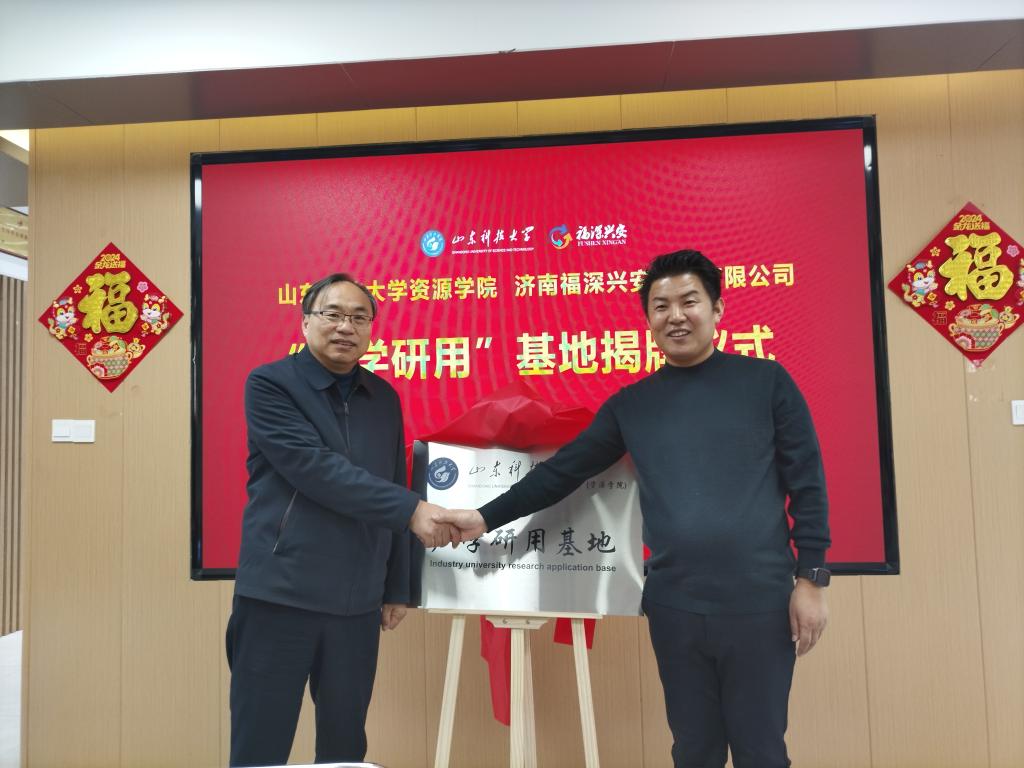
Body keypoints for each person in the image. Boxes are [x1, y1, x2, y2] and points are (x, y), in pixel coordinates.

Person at [436, 250, 831, 768]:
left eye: (689, 301)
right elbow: (561, 474)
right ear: (648, 320)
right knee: (693, 750)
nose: (676, 316)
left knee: (762, 751)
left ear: (717, 309)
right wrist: (484, 517)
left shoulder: (766, 382)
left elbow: (807, 482)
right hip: (675, 606)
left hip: (758, 602)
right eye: (661, 306)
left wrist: (812, 579)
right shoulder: (633, 405)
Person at [226, 272, 455, 767]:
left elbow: (396, 480)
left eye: (359, 317)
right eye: (332, 314)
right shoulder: (270, 384)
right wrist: (412, 511)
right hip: (280, 594)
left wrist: (397, 586)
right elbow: (316, 470)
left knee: (345, 745)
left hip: (356, 601)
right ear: (306, 321)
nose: (345, 327)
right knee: (260, 742)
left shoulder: (383, 396)